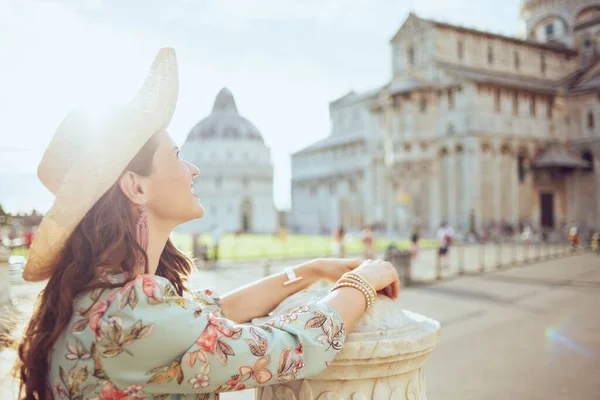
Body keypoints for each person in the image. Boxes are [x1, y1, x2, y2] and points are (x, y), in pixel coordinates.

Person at [14, 48, 401, 400]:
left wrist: (310, 269)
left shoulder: (102, 295)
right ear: (135, 186)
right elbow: (293, 346)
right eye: (177, 155)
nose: (193, 168)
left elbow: (222, 307)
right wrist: (361, 282)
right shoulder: (131, 313)